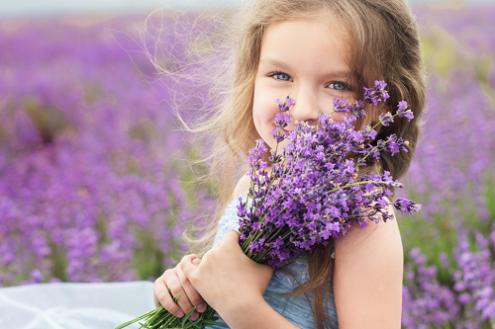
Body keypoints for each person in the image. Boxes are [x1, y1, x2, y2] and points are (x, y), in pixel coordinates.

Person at [153, 0, 426, 328]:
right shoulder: (252, 186)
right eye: (280, 75)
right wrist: (183, 294)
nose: (301, 109)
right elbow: (217, 294)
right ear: (251, 78)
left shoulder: (363, 218)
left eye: (337, 85)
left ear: (381, 105)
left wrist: (241, 306)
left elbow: (234, 299)